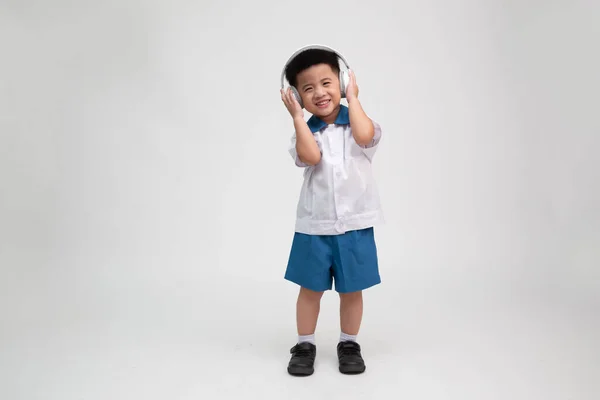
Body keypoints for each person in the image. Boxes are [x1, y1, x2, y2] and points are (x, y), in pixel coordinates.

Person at [280, 46, 384, 376]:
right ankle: (305, 343)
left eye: (327, 82)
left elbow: (366, 135)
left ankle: (349, 342)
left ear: (341, 81)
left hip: (355, 223)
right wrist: (298, 117)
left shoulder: (359, 124)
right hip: (315, 226)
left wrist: (353, 98)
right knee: (310, 290)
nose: (319, 93)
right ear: (297, 95)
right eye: (307, 88)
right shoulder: (304, 132)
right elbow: (310, 157)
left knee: (352, 290)